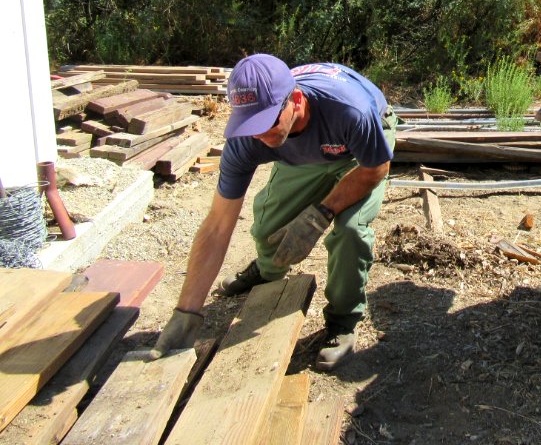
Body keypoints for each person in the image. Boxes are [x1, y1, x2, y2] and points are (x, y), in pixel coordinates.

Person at [149, 54, 397, 370]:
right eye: (250, 125)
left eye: (266, 123)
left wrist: (321, 213)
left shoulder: (350, 111)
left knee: (350, 231)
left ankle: (343, 321)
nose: (259, 136)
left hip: (359, 154)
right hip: (309, 151)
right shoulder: (247, 139)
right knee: (269, 230)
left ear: (295, 100)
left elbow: (376, 169)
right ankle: (267, 271)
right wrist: (186, 312)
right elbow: (217, 225)